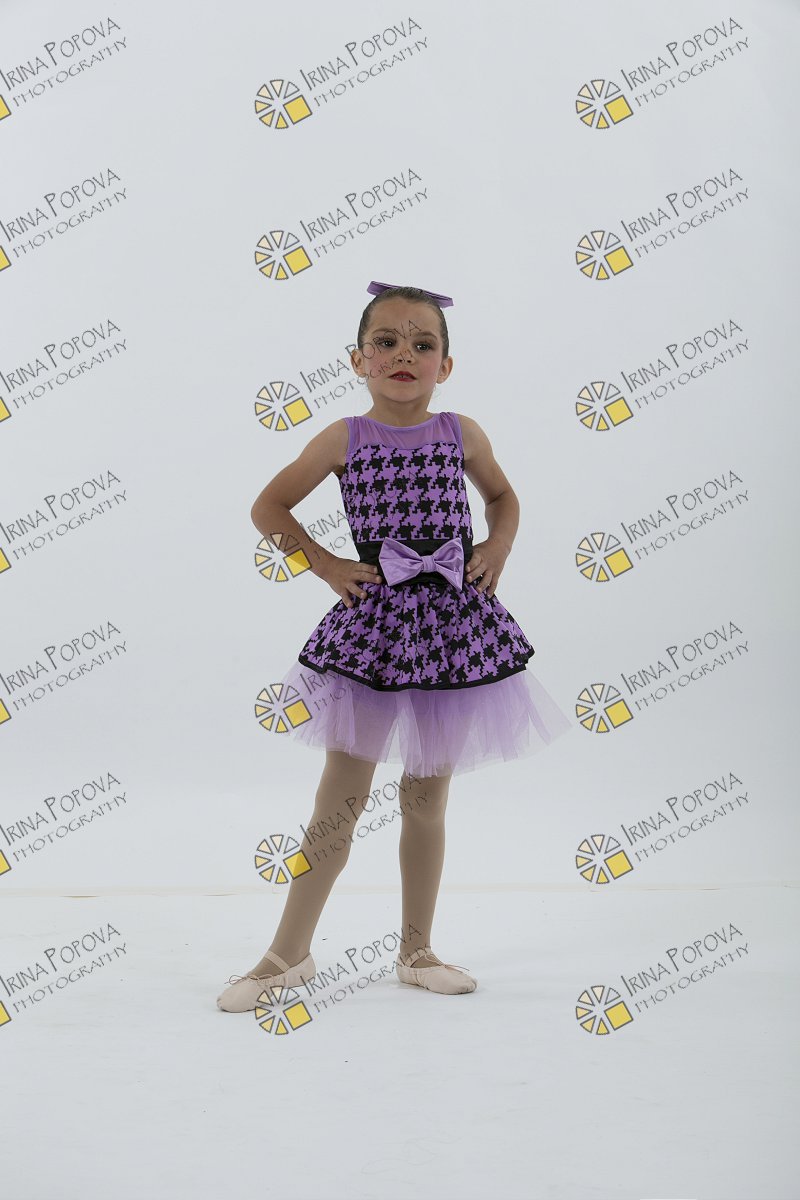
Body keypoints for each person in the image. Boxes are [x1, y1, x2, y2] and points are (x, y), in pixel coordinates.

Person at [216, 281, 572, 1012]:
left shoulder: (461, 433)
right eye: (386, 341)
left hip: (450, 631)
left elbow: (503, 497)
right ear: (358, 359)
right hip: (374, 633)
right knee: (339, 802)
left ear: (446, 364)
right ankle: (288, 953)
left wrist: (496, 547)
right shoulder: (344, 438)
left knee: (426, 798)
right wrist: (326, 564)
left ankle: (417, 949)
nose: (403, 354)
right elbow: (268, 506)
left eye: (422, 343)